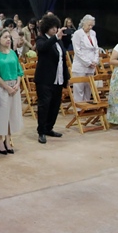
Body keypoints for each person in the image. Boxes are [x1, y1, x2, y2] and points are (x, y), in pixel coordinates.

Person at [35, 14, 69, 144]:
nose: (55, 29)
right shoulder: (41, 39)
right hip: (45, 79)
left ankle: (49, 128)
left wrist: (66, 77)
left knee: (55, 106)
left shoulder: (58, 41)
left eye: (56, 27)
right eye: (52, 27)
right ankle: (41, 131)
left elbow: (62, 60)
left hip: (58, 79)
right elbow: (42, 48)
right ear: (46, 28)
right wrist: (55, 37)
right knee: (44, 105)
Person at [0, 29, 24, 154]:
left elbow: (19, 70)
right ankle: (0, 140)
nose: (8, 39)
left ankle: (8, 140)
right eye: (5, 37)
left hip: (14, 86)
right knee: (1, 115)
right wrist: (7, 87)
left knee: (11, 114)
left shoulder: (13, 53)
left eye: (9, 37)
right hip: (1, 87)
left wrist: (18, 83)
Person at [71, 15, 99, 102]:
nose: (90, 27)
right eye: (89, 25)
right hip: (80, 65)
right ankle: (79, 107)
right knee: (79, 87)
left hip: (91, 65)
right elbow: (77, 51)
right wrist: (88, 62)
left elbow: (96, 48)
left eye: (92, 25)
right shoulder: (77, 34)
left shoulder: (93, 33)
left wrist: (95, 61)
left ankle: (87, 105)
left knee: (88, 87)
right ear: (84, 23)